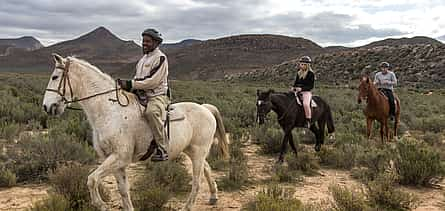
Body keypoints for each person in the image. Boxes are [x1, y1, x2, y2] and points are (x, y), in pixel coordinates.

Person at [118, 28, 169, 161]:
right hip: (141, 94)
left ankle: (162, 148)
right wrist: (126, 88)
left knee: (151, 113)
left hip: (156, 96)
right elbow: (138, 78)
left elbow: (152, 82)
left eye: (148, 41)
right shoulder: (142, 60)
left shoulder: (161, 58)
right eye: (143, 41)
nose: (144, 43)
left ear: (156, 43)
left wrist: (130, 84)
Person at [291, 56, 315, 128]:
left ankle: (308, 120)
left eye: (304, 64)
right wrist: (293, 87)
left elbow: (310, 86)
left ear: (307, 65)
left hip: (306, 92)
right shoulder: (299, 73)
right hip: (297, 91)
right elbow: (296, 83)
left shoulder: (311, 74)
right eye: (301, 64)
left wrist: (301, 89)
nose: (302, 66)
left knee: (305, 104)